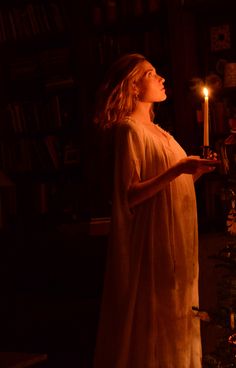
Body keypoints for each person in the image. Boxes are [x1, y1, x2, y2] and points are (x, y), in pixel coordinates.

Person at [92, 53, 219, 368]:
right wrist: (179, 169)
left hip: (176, 239)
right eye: (151, 73)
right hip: (153, 243)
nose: (161, 78)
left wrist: (194, 175)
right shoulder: (129, 130)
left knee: (177, 315)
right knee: (155, 321)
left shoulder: (161, 133)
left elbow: (171, 189)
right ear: (133, 86)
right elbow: (129, 195)